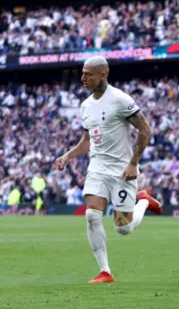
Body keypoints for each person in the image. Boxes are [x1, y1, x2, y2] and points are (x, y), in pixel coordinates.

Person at [55, 56, 163, 284]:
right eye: (82, 73)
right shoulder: (85, 106)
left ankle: (143, 200)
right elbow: (86, 141)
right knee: (92, 215)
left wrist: (133, 163)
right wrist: (68, 155)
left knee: (123, 229)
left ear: (103, 74)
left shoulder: (120, 100)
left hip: (122, 170)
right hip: (97, 169)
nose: (83, 78)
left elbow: (145, 129)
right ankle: (105, 271)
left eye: (88, 74)